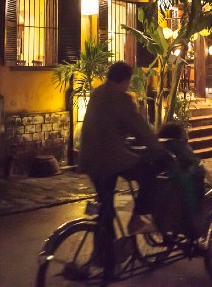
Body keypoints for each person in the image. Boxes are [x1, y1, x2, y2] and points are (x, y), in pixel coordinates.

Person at [78, 61, 165, 273]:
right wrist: (160, 150)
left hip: (88, 159)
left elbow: (106, 128)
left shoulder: (98, 93)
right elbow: (141, 130)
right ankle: (137, 219)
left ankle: (104, 256)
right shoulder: (121, 99)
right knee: (150, 171)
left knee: (106, 209)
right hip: (109, 159)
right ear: (125, 80)